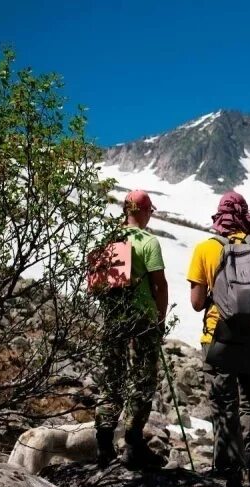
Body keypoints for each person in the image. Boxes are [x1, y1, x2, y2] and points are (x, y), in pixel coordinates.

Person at [187, 192, 250, 487]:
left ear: (220, 217)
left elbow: (197, 303)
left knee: (224, 408)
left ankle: (230, 479)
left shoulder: (206, 248)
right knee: (249, 407)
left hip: (218, 337)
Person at [95, 189, 169, 470]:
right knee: (141, 380)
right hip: (142, 320)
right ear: (144, 211)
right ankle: (133, 444)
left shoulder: (109, 238)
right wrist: (160, 320)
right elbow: (159, 284)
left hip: (113, 317)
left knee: (111, 379)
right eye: (150, 211)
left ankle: (103, 445)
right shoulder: (148, 242)